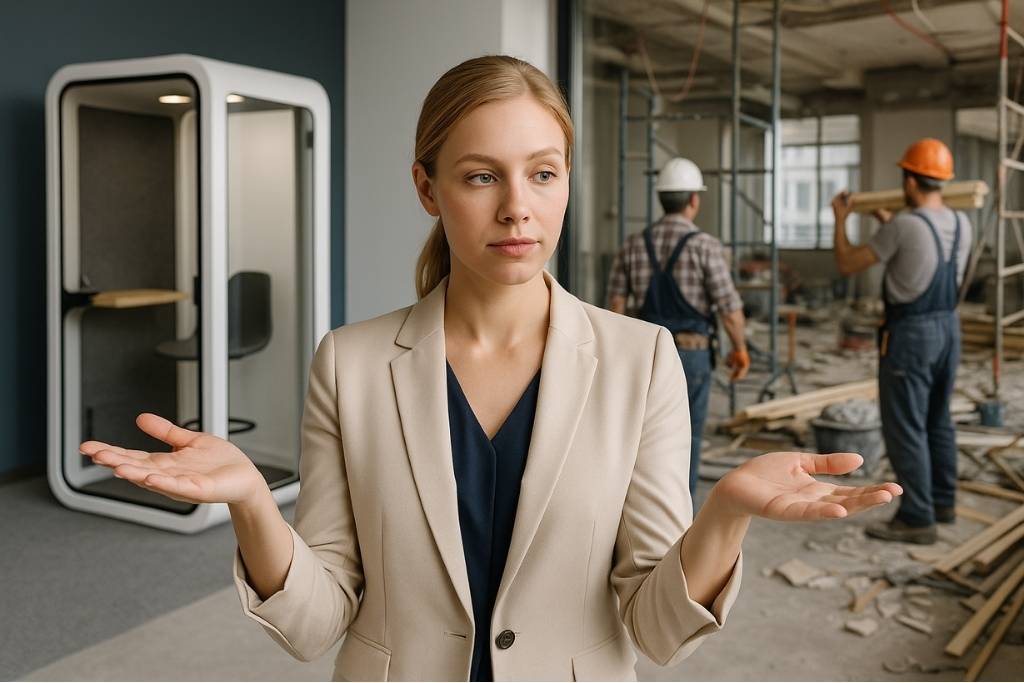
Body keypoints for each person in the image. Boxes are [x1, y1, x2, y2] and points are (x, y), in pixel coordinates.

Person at [81, 56, 900, 681]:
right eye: (481, 176)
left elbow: (655, 630)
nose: (517, 207)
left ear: (566, 180)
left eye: (543, 173)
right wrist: (255, 504)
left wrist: (723, 514)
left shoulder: (639, 360)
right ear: (428, 187)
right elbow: (315, 623)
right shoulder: (351, 363)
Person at [831, 137, 970, 546]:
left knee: (905, 427)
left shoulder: (903, 227)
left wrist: (840, 218)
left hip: (911, 335)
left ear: (909, 181)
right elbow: (917, 250)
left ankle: (916, 518)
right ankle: (942, 503)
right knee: (937, 420)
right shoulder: (961, 222)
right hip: (948, 328)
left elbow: (847, 263)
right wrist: (888, 223)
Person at [606, 157, 750, 496]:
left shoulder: (633, 244)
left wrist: (619, 357)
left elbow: (614, 307)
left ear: (661, 198)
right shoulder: (705, 246)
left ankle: (639, 511)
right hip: (692, 355)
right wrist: (740, 349)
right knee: (688, 438)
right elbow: (729, 310)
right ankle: (681, 518)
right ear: (694, 200)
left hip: (646, 354)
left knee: (642, 438)